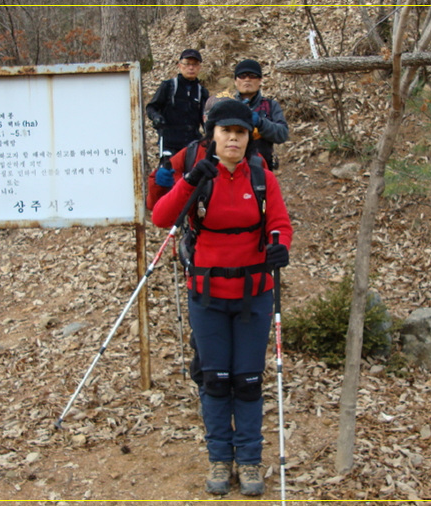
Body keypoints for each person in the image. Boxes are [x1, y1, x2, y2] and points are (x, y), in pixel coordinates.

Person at [152, 99, 292, 497]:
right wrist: (190, 179)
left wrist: (279, 245)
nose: (233, 138)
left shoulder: (263, 178)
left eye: (241, 132)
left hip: (254, 295)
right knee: (214, 379)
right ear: (212, 136)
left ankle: (249, 460)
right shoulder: (201, 175)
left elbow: (279, 222)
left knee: (247, 381)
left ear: (249, 138)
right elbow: (162, 217)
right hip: (207, 295)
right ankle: (219, 456)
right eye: (226, 131)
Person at [146, 49, 210, 172]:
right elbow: (151, 107)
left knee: (191, 179)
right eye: (187, 63)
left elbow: (205, 117)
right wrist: (156, 118)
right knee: (168, 177)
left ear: (199, 67)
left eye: (195, 64)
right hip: (169, 142)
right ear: (179, 65)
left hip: (192, 144)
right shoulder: (168, 86)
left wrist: (209, 134)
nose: (191, 67)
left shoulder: (202, 91)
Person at [233, 59, 289, 171]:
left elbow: (283, 134)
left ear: (260, 81)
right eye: (242, 76)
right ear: (235, 81)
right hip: (233, 169)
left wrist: (261, 123)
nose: (247, 79)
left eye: (252, 76)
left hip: (263, 169)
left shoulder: (270, 105)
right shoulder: (227, 105)